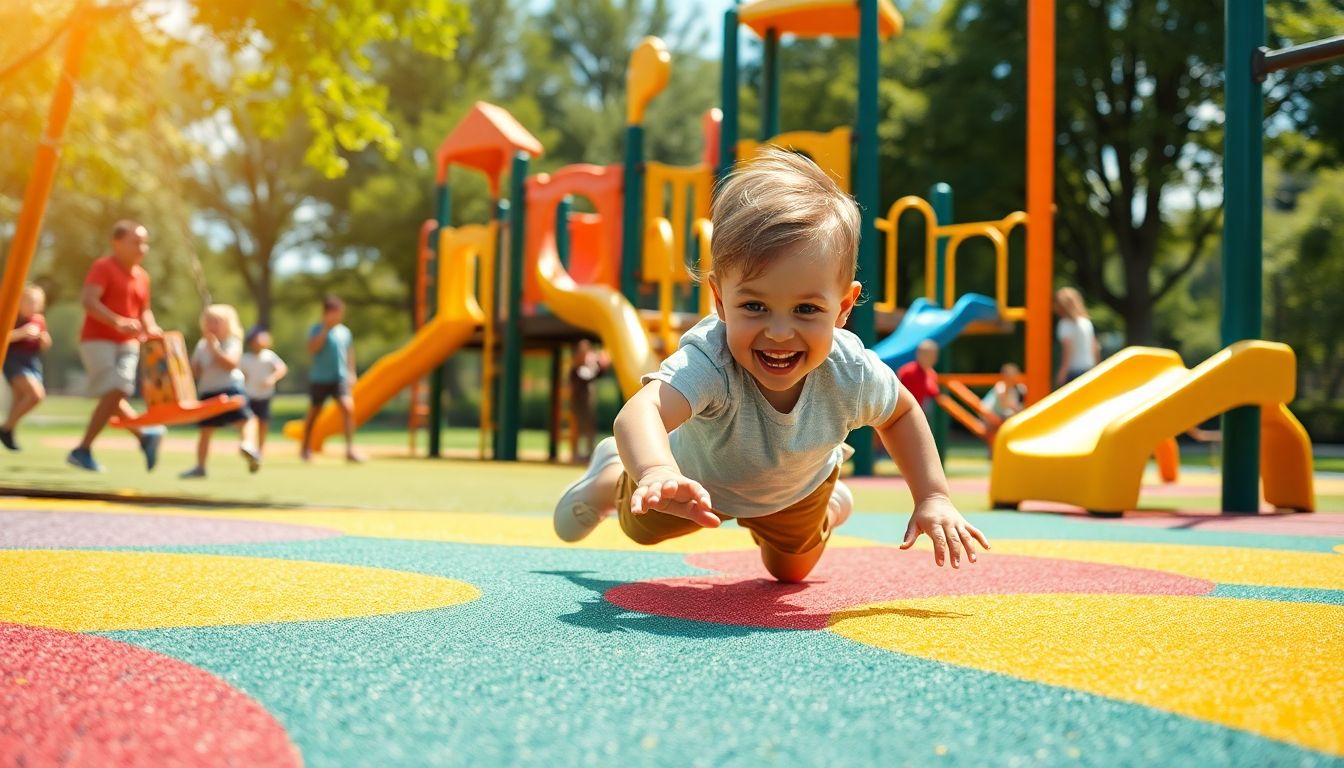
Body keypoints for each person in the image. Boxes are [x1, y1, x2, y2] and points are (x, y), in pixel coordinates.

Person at [552, 148, 988, 580]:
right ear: (721, 301)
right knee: (640, 528)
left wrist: (932, 495)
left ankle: (827, 509)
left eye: (806, 310)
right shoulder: (713, 359)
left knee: (790, 573)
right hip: (696, 484)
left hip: (796, 490)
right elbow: (641, 410)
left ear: (843, 308)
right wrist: (655, 470)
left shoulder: (850, 370)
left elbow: (901, 413)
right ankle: (613, 474)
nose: (780, 332)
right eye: (755, 306)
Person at [67, 220, 165, 473]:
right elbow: (89, 301)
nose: (142, 248)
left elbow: (144, 312)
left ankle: (142, 437)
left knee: (116, 391)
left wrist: (151, 329)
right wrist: (117, 322)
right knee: (117, 389)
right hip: (98, 339)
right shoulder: (103, 267)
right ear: (117, 243)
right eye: (135, 242)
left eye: (145, 243)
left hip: (129, 343)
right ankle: (85, 448)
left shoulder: (143, 277)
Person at [180, 304, 261, 478]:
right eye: (208, 321)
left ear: (228, 324)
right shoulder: (202, 345)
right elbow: (195, 371)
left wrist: (215, 349)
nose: (211, 325)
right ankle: (200, 467)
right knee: (205, 431)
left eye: (216, 321)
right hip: (209, 392)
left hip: (230, 389)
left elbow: (230, 364)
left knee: (247, 419)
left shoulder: (232, 342)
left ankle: (247, 445)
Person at [299, 294, 362, 463]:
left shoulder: (344, 332)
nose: (338, 316)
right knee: (314, 413)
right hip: (320, 378)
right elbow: (312, 348)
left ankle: (350, 450)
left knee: (348, 409)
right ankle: (305, 447)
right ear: (326, 313)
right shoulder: (317, 329)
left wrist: (352, 372)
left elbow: (349, 353)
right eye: (334, 313)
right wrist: (325, 330)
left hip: (339, 378)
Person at [1, 285, 53, 451]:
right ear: (20, 302)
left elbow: (46, 345)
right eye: (29, 302)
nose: (33, 306)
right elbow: (3, 338)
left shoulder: (39, 320)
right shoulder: (12, 317)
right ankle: (5, 428)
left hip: (32, 361)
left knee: (19, 400)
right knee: (36, 395)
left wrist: (43, 338)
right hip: (14, 360)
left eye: (37, 302)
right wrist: (21, 333)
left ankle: (9, 430)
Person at [239, 324, 288, 455]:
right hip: (249, 394)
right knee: (249, 421)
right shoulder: (245, 358)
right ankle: (249, 445)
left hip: (264, 395)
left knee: (263, 422)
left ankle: (260, 449)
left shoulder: (269, 356)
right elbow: (240, 373)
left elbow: (281, 368)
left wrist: (272, 378)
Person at [568, 338, 610, 463]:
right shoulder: (576, 369)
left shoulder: (588, 367)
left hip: (587, 402)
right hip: (577, 402)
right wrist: (595, 365)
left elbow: (596, 374)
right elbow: (585, 377)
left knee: (589, 427)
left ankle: (589, 453)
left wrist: (601, 365)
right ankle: (575, 453)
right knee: (577, 427)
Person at [1054, 286, 1100, 387]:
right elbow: (1095, 347)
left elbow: (1067, 350)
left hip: (1073, 371)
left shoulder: (1065, 325)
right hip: (1089, 368)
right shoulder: (1086, 322)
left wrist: (1062, 372)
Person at [896, 339, 940, 418]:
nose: (932, 358)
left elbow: (933, 393)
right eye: (927, 354)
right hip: (905, 413)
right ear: (918, 354)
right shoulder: (907, 371)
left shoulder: (932, 374)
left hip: (924, 413)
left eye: (934, 355)